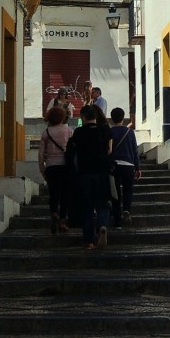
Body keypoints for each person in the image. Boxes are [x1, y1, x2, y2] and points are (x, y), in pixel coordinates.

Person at [66, 104, 112, 249]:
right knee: (103, 204)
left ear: (83, 117)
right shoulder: (104, 130)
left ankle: (89, 241)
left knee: (87, 208)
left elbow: (70, 154)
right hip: (102, 173)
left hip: (85, 174)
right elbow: (110, 150)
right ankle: (102, 226)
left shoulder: (78, 133)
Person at [37, 105, 73, 234]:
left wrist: (43, 170)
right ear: (62, 117)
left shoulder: (46, 132)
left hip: (52, 167)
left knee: (53, 193)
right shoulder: (69, 130)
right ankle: (63, 219)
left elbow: (41, 155)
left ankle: (53, 213)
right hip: (65, 166)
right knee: (65, 194)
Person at [108, 107, 140, 227]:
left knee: (115, 194)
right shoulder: (130, 132)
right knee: (128, 189)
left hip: (114, 166)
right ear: (123, 118)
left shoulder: (110, 132)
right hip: (128, 165)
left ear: (111, 118)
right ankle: (126, 209)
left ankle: (117, 222)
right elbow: (135, 151)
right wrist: (137, 167)